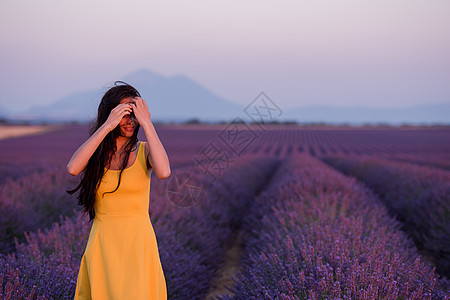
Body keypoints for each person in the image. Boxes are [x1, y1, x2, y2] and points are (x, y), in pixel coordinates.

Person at [66, 81, 170, 299]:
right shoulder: (96, 154)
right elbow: (73, 168)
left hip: (138, 242)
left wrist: (148, 123)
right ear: (111, 115)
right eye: (124, 114)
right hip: (103, 243)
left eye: (133, 114)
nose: (130, 121)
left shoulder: (144, 151)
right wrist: (107, 126)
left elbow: (164, 172)